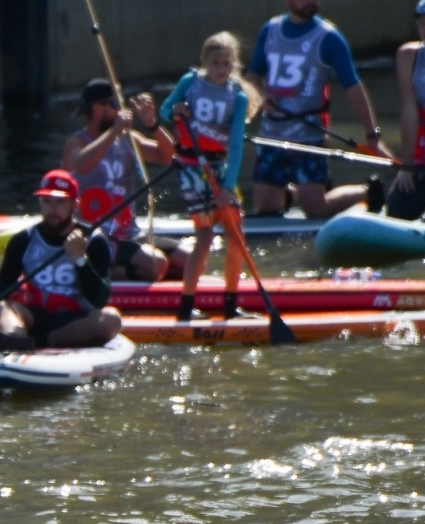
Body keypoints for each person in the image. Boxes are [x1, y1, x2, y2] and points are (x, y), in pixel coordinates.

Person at [247, 0, 394, 217]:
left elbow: (353, 87)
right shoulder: (270, 30)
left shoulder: (329, 37)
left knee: (316, 211)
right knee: (264, 209)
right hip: (272, 135)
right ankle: (297, 192)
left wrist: (373, 136)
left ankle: (367, 191)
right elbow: (252, 76)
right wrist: (261, 95)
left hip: (309, 137)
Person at [162, 32, 260, 321]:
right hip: (192, 168)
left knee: (235, 236)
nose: (221, 69)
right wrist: (177, 111)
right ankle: (186, 307)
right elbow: (165, 110)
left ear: (234, 64)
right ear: (204, 62)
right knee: (204, 236)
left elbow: (237, 147)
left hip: (219, 168)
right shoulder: (190, 83)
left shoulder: (238, 96)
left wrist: (228, 187)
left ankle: (231, 305)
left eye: (226, 63)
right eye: (215, 63)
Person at [0, 169, 121, 352]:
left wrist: (80, 258)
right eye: (46, 202)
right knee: (5, 304)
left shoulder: (95, 241)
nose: (53, 209)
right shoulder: (22, 240)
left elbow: (100, 299)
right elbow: (4, 284)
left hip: (77, 321)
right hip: (35, 316)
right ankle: (15, 339)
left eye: (60, 202)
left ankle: (39, 341)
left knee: (111, 319)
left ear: (74, 206)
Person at [61, 78, 177, 282]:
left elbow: (169, 157)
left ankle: (122, 270)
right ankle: (115, 273)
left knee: (187, 258)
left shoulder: (128, 139)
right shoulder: (76, 142)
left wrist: (151, 123)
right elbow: (81, 163)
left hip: (128, 233)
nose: (121, 109)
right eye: (115, 104)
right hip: (94, 235)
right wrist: (115, 129)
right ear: (97, 109)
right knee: (157, 264)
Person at [387, 1, 425, 220]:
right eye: (422, 25)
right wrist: (407, 166)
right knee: (398, 211)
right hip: (421, 159)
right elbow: (409, 111)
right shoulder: (408, 56)